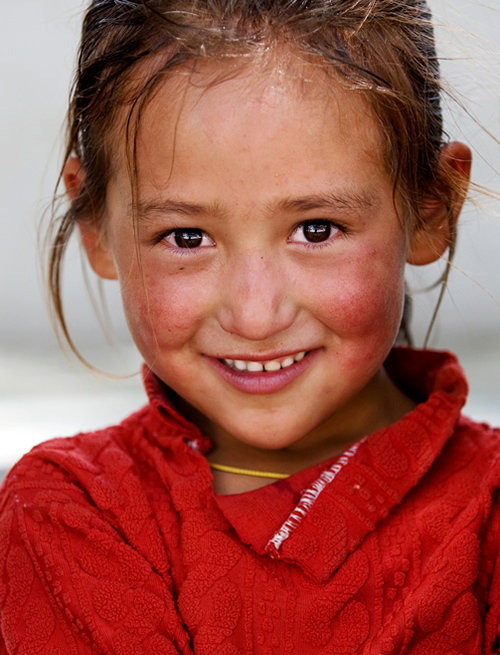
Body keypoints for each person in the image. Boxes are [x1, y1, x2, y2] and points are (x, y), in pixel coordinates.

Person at [0, 0, 499, 652]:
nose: (256, 315)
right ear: (96, 225)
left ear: (431, 207)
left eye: (317, 230)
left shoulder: (485, 518)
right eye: (186, 236)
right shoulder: (74, 514)